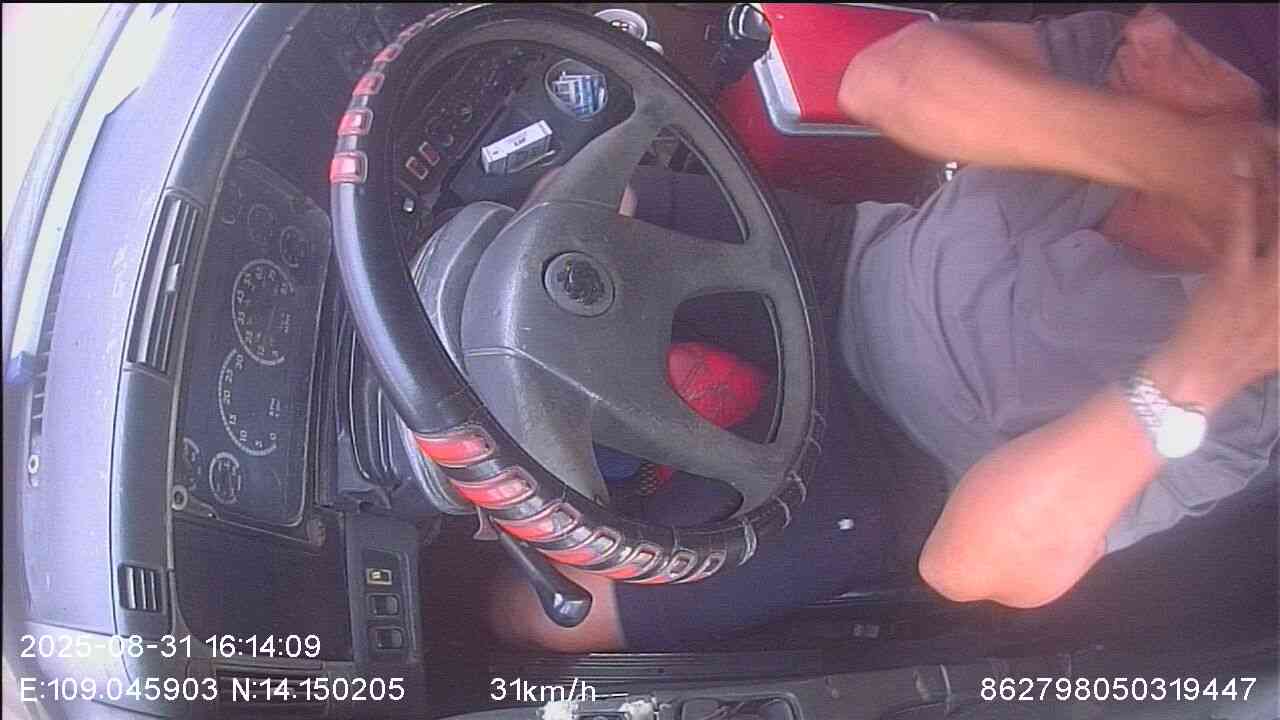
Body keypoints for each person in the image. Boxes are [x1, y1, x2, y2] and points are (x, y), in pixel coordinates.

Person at [488, 6, 1278, 652]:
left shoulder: (1246, 400)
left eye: (1193, 47)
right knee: (558, 211)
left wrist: (1202, 364)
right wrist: (1171, 154)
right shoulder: (1116, 68)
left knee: (549, 614)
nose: (1143, 29)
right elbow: (884, 78)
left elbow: (969, 564)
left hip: (887, 462)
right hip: (835, 265)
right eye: (1160, 10)